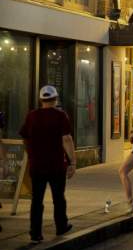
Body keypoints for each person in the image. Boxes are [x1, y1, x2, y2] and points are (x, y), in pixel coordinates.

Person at [19, 85, 76, 243]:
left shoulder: (31, 116)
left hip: (36, 165)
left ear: (41, 99)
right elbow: (66, 139)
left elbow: (24, 137)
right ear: (55, 99)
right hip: (56, 165)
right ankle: (61, 226)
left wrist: (30, 153)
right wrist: (73, 162)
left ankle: (35, 233)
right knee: (58, 198)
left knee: (37, 200)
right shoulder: (61, 116)